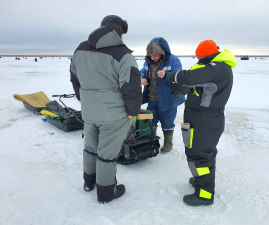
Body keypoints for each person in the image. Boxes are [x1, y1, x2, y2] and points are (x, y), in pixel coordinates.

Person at [70, 15, 142, 203]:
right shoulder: (122, 54)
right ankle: (106, 193)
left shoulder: (80, 48)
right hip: (113, 115)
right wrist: (133, 111)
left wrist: (82, 98)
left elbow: (74, 78)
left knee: (91, 147)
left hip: (89, 111)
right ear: (119, 30)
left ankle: (89, 182)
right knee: (107, 155)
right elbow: (132, 87)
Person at [168, 40, 237, 206]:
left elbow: (188, 77)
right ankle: (200, 180)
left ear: (206, 55)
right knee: (202, 153)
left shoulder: (216, 69)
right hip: (202, 118)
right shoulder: (217, 68)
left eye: (199, 57)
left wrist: (172, 75)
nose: (198, 60)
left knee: (198, 155)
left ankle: (204, 194)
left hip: (204, 120)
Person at [140, 37, 185, 153]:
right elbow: (141, 72)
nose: (153, 57)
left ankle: (168, 144)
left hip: (168, 100)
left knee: (168, 122)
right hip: (152, 99)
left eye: (156, 55)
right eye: (151, 55)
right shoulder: (148, 62)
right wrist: (142, 78)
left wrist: (166, 75)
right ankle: (152, 143)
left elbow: (179, 76)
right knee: (151, 122)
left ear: (162, 52)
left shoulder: (173, 60)